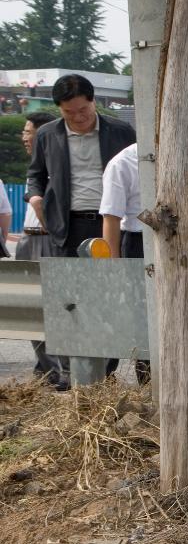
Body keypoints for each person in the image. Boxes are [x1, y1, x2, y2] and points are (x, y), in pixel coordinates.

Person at [26, 74, 136, 258]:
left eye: (83, 109)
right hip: (67, 226)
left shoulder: (121, 132)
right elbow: (36, 174)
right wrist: (36, 199)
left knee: (113, 282)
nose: (78, 117)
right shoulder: (48, 135)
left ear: (93, 101)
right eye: (69, 112)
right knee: (69, 284)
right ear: (59, 108)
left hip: (113, 221)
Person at [12, 112, 62, 388]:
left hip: (47, 239)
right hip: (29, 239)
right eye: (24, 131)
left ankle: (58, 370)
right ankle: (45, 366)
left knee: (51, 308)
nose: (24, 137)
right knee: (31, 309)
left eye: (28, 131)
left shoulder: (57, 163)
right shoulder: (35, 166)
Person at [98, 142, 151, 384]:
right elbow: (111, 217)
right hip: (138, 242)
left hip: (176, 241)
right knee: (140, 316)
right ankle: (147, 382)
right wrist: (114, 268)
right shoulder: (123, 162)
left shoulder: (182, 150)